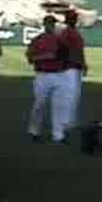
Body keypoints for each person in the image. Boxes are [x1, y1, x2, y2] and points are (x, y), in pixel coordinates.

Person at [26, 15, 69, 144]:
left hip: (58, 75)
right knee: (39, 105)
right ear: (44, 25)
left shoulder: (60, 41)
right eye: (49, 23)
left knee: (58, 106)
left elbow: (66, 57)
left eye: (53, 24)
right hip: (42, 76)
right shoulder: (37, 40)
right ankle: (34, 130)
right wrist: (46, 56)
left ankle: (58, 135)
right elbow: (30, 59)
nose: (51, 26)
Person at [59, 10, 87, 130]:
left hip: (75, 67)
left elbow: (79, 51)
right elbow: (63, 50)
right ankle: (65, 122)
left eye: (75, 18)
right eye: (73, 18)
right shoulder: (66, 33)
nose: (75, 20)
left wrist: (83, 64)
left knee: (74, 95)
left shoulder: (73, 32)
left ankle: (71, 121)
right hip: (69, 68)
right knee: (70, 96)